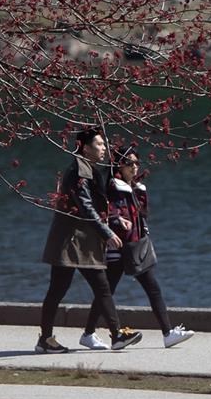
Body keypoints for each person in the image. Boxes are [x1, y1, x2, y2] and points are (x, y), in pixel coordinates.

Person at [35, 127, 143, 353]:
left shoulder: (89, 169)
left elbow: (96, 205)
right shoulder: (79, 172)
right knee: (58, 290)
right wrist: (108, 232)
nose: (104, 149)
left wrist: (114, 218)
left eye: (104, 145)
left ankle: (116, 335)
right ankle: (45, 340)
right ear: (85, 147)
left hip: (83, 241)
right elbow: (85, 207)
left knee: (101, 287)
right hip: (71, 241)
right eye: (99, 145)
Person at [80, 147, 195, 349]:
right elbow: (106, 212)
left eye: (136, 163)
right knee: (106, 292)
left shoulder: (136, 189)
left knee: (150, 288)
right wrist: (117, 220)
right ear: (119, 166)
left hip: (135, 246)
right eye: (129, 163)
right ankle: (89, 333)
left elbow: (140, 217)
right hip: (118, 246)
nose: (134, 167)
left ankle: (168, 333)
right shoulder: (113, 188)